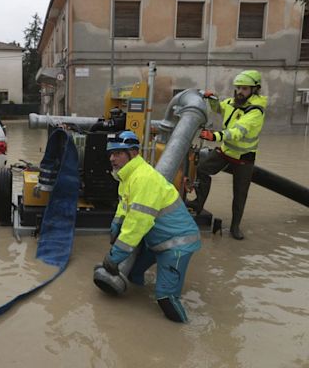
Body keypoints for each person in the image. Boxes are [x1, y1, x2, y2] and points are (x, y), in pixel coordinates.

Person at [100, 131, 201, 323]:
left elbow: (137, 223)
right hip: (157, 241)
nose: (112, 158)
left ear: (134, 153)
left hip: (176, 245)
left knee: (165, 299)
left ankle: (183, 335)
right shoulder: (126, 177)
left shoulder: (143, 179)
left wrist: (115, 257)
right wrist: (116, 224)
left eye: (118, 153)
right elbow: (124, 205)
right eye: (110, 154)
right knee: (134, 273)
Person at [190, 70, 267, 240]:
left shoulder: (256, 112)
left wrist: (214, 136)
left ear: (255, 90)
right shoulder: (232, 103)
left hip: (244, 158)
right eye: (238, 88)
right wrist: (213, 99)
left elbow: (237, 132)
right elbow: (219, 109)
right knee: (202, 169)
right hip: (226, 151)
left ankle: (235, 227)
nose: (239, 92)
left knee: (239, 194)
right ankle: (198, 202)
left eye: (244, 89)